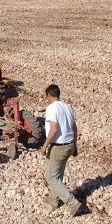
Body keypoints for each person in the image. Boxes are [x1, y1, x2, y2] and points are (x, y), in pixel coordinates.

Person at [41, 84, 82, 216]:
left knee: (51, 178)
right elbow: (74, 128)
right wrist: (75, 146)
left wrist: (45, 145)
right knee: (58, 174)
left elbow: (54, 129)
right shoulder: (67, 107)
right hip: (69, 144)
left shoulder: (51, 108)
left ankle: (73, 203)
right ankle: (54, 201)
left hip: (58, 146)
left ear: (49, 95)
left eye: (46, 97)